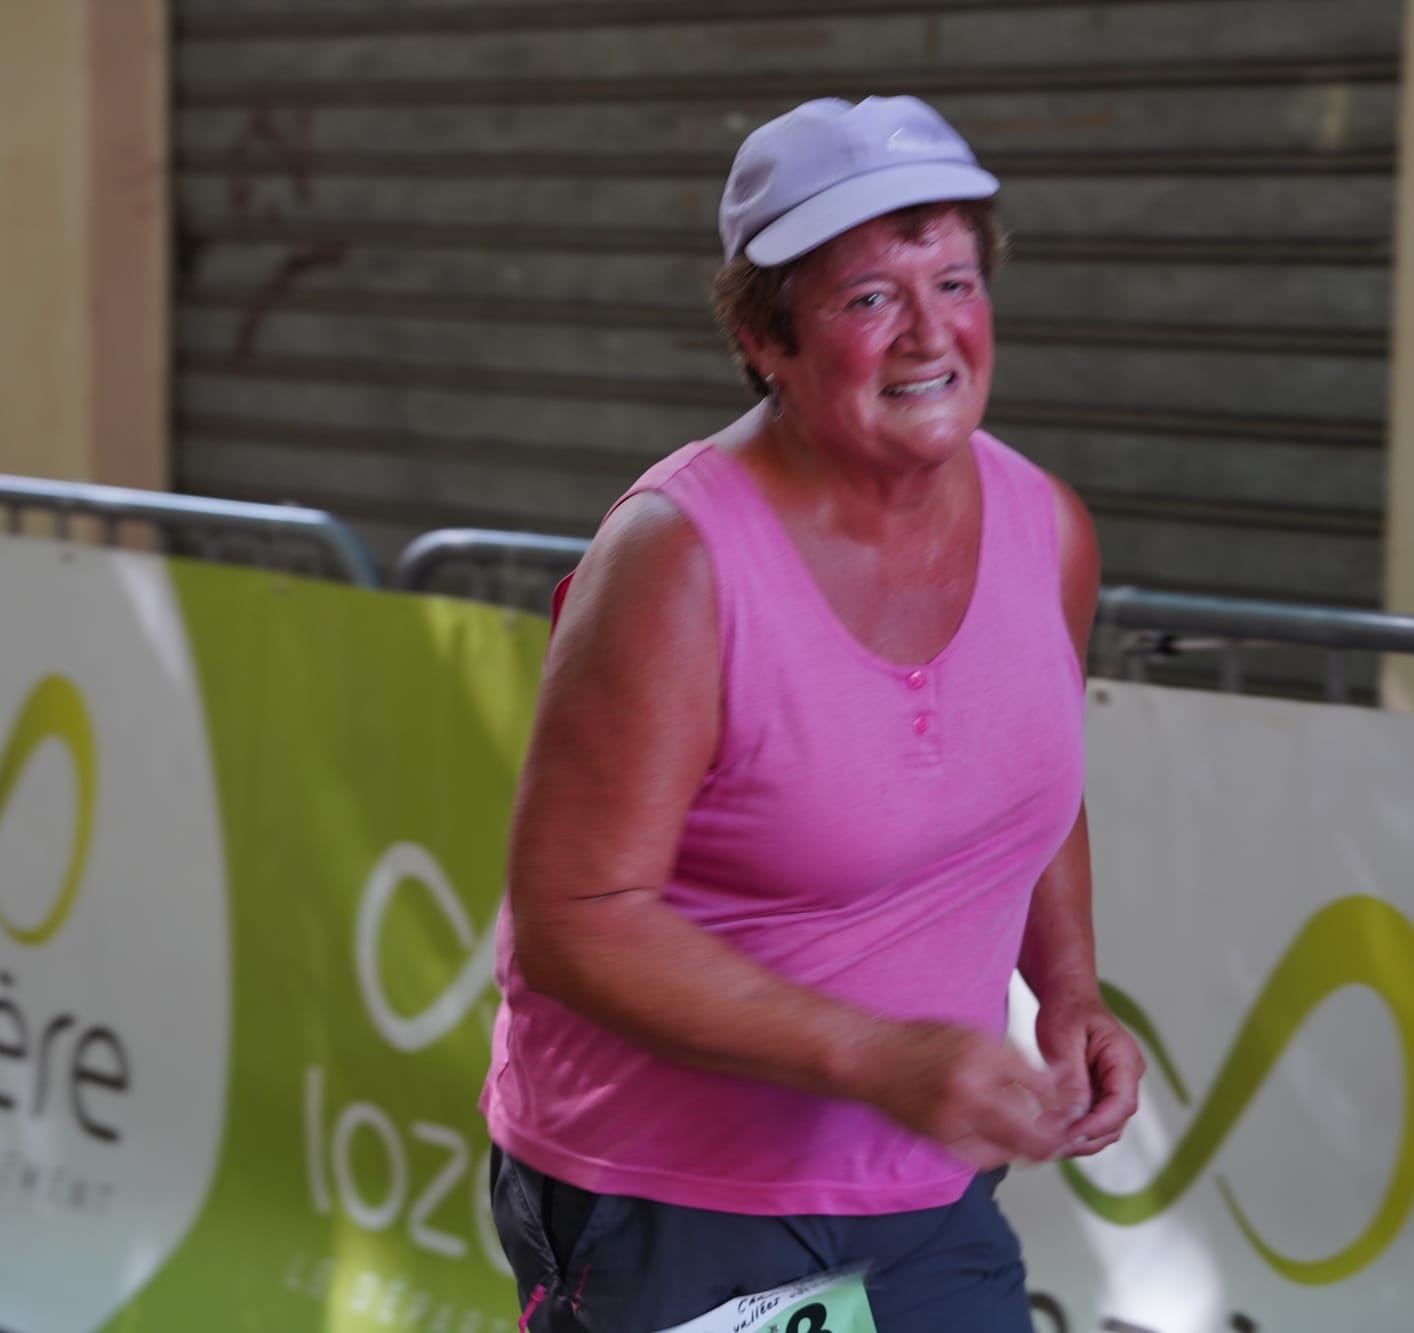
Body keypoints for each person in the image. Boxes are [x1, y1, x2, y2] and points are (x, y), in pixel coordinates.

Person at [480, 95, 1144, 1331]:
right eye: (866, 298)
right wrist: (880, 1057)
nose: (927, 334)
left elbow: (1029, 781)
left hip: (922, 1185)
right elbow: (575, 918)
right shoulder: (677, 560)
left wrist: (1068, 990)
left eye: (952, 278)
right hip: (675, 1197)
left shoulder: (1045, 525)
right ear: (765, 339)